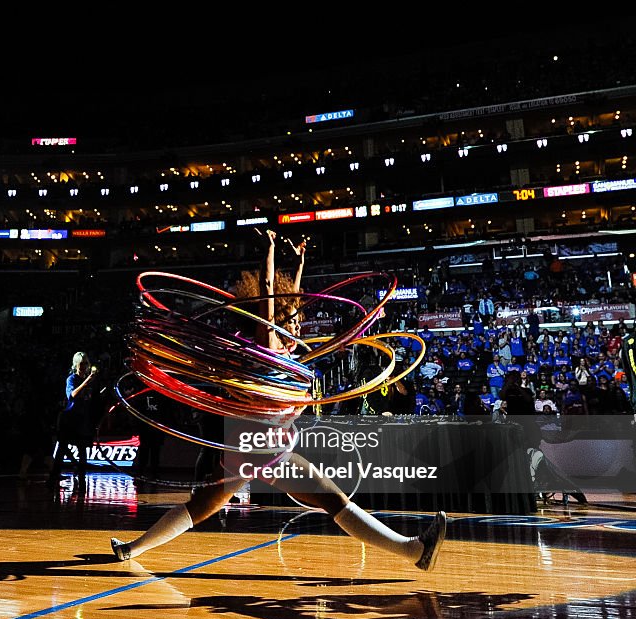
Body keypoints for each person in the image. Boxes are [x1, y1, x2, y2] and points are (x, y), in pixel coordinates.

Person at [110, 231, 447, 571]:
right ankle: (414, 551)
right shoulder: (265, 346)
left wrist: (299, 265)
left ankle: (132, 549)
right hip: (261, 447)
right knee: (334, 501)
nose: (298, 324)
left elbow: (291, 302)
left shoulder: (281, 353)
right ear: (274, 320)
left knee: (201, 506)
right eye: (292, 319)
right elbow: (269, 295)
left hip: (247, 446)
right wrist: (268, 253)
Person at [48, 352, 99, 488]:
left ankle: (81, 479)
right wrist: (86, 382)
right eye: (81, 364)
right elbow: (72, 395)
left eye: (85, 364)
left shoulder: (91, 382)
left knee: (83, 451)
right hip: (70, 420)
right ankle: (53, 477)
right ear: (76, 364)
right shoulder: (71, 379)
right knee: (62, 449)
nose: (83, 366)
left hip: (83, 420)